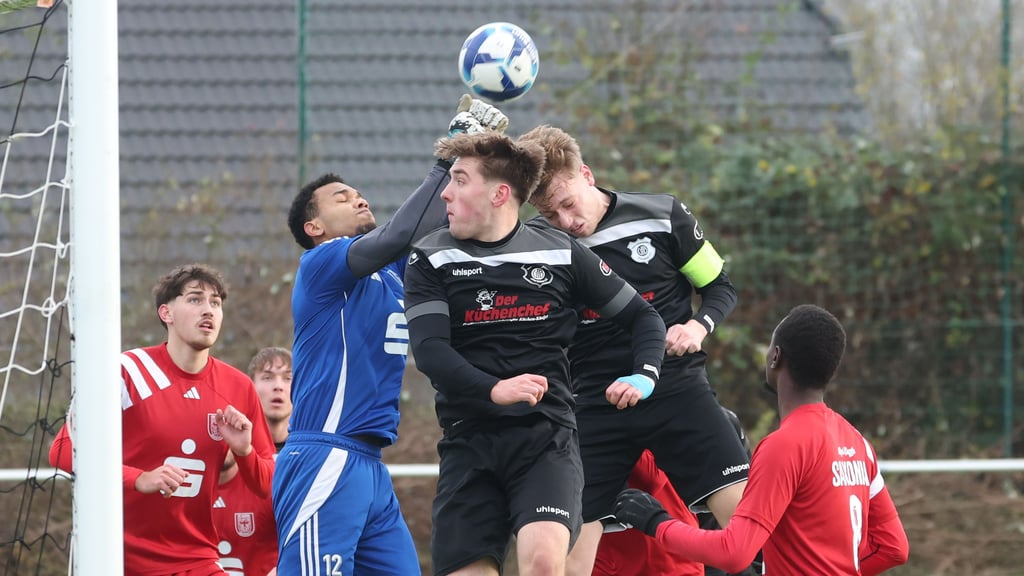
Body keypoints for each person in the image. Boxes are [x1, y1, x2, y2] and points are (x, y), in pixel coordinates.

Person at [403, 131, 668, 576]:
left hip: (546, 440)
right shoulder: (429, 258)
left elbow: (645, 319)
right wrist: (495, 389)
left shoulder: (560, 252)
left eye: (460, 180)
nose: (445, 193)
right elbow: (430, 352)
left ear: (499, 193)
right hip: (470, 443)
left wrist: (645, 373)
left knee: (544, 562)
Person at [272, 97, 509, 576]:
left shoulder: (394, 274)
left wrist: (473, 158)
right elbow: (402, 232)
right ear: (313, 226)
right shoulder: (321, 265)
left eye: (358, 193)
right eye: (341, 197)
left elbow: (439, 222)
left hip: (369, 466)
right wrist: (447, 155)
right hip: (324, 453)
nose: (359, 198)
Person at [516, 124, 750, 574]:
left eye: (567, 204)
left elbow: (719, 286)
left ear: (587, 174)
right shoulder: (538, 248)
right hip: (594, 405)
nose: (566, 223)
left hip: (677, 391)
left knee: (750, 532)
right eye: (549, 213)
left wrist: (699, 325)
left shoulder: (662, 215)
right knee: (557, 556)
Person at [614, 304, 911, 575]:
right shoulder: (858, 443)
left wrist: (655, 522)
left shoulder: (785, 444)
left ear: (776, 357)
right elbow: (893, 547)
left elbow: (735, 553)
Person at [48, 263, 277, 576]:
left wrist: (244, 451)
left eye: (215, 302)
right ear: (166, 313)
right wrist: (138, 478)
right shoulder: (127, 371)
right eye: (195, 299)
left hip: (196, 558)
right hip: (116, 555)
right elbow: (61, 451)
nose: (208, 310)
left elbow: (266, 486)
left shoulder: (238, 387)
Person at [595, 406, 758, 576]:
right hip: (615, 561)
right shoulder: (593, 420)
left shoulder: (713, 420)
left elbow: (726, 516)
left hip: (680, 561)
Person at [214, 347, 293, 576]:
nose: (278, 386)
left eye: (288, 378)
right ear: (249, 386)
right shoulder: (227, 454)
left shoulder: (306, 461)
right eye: (267, 378)